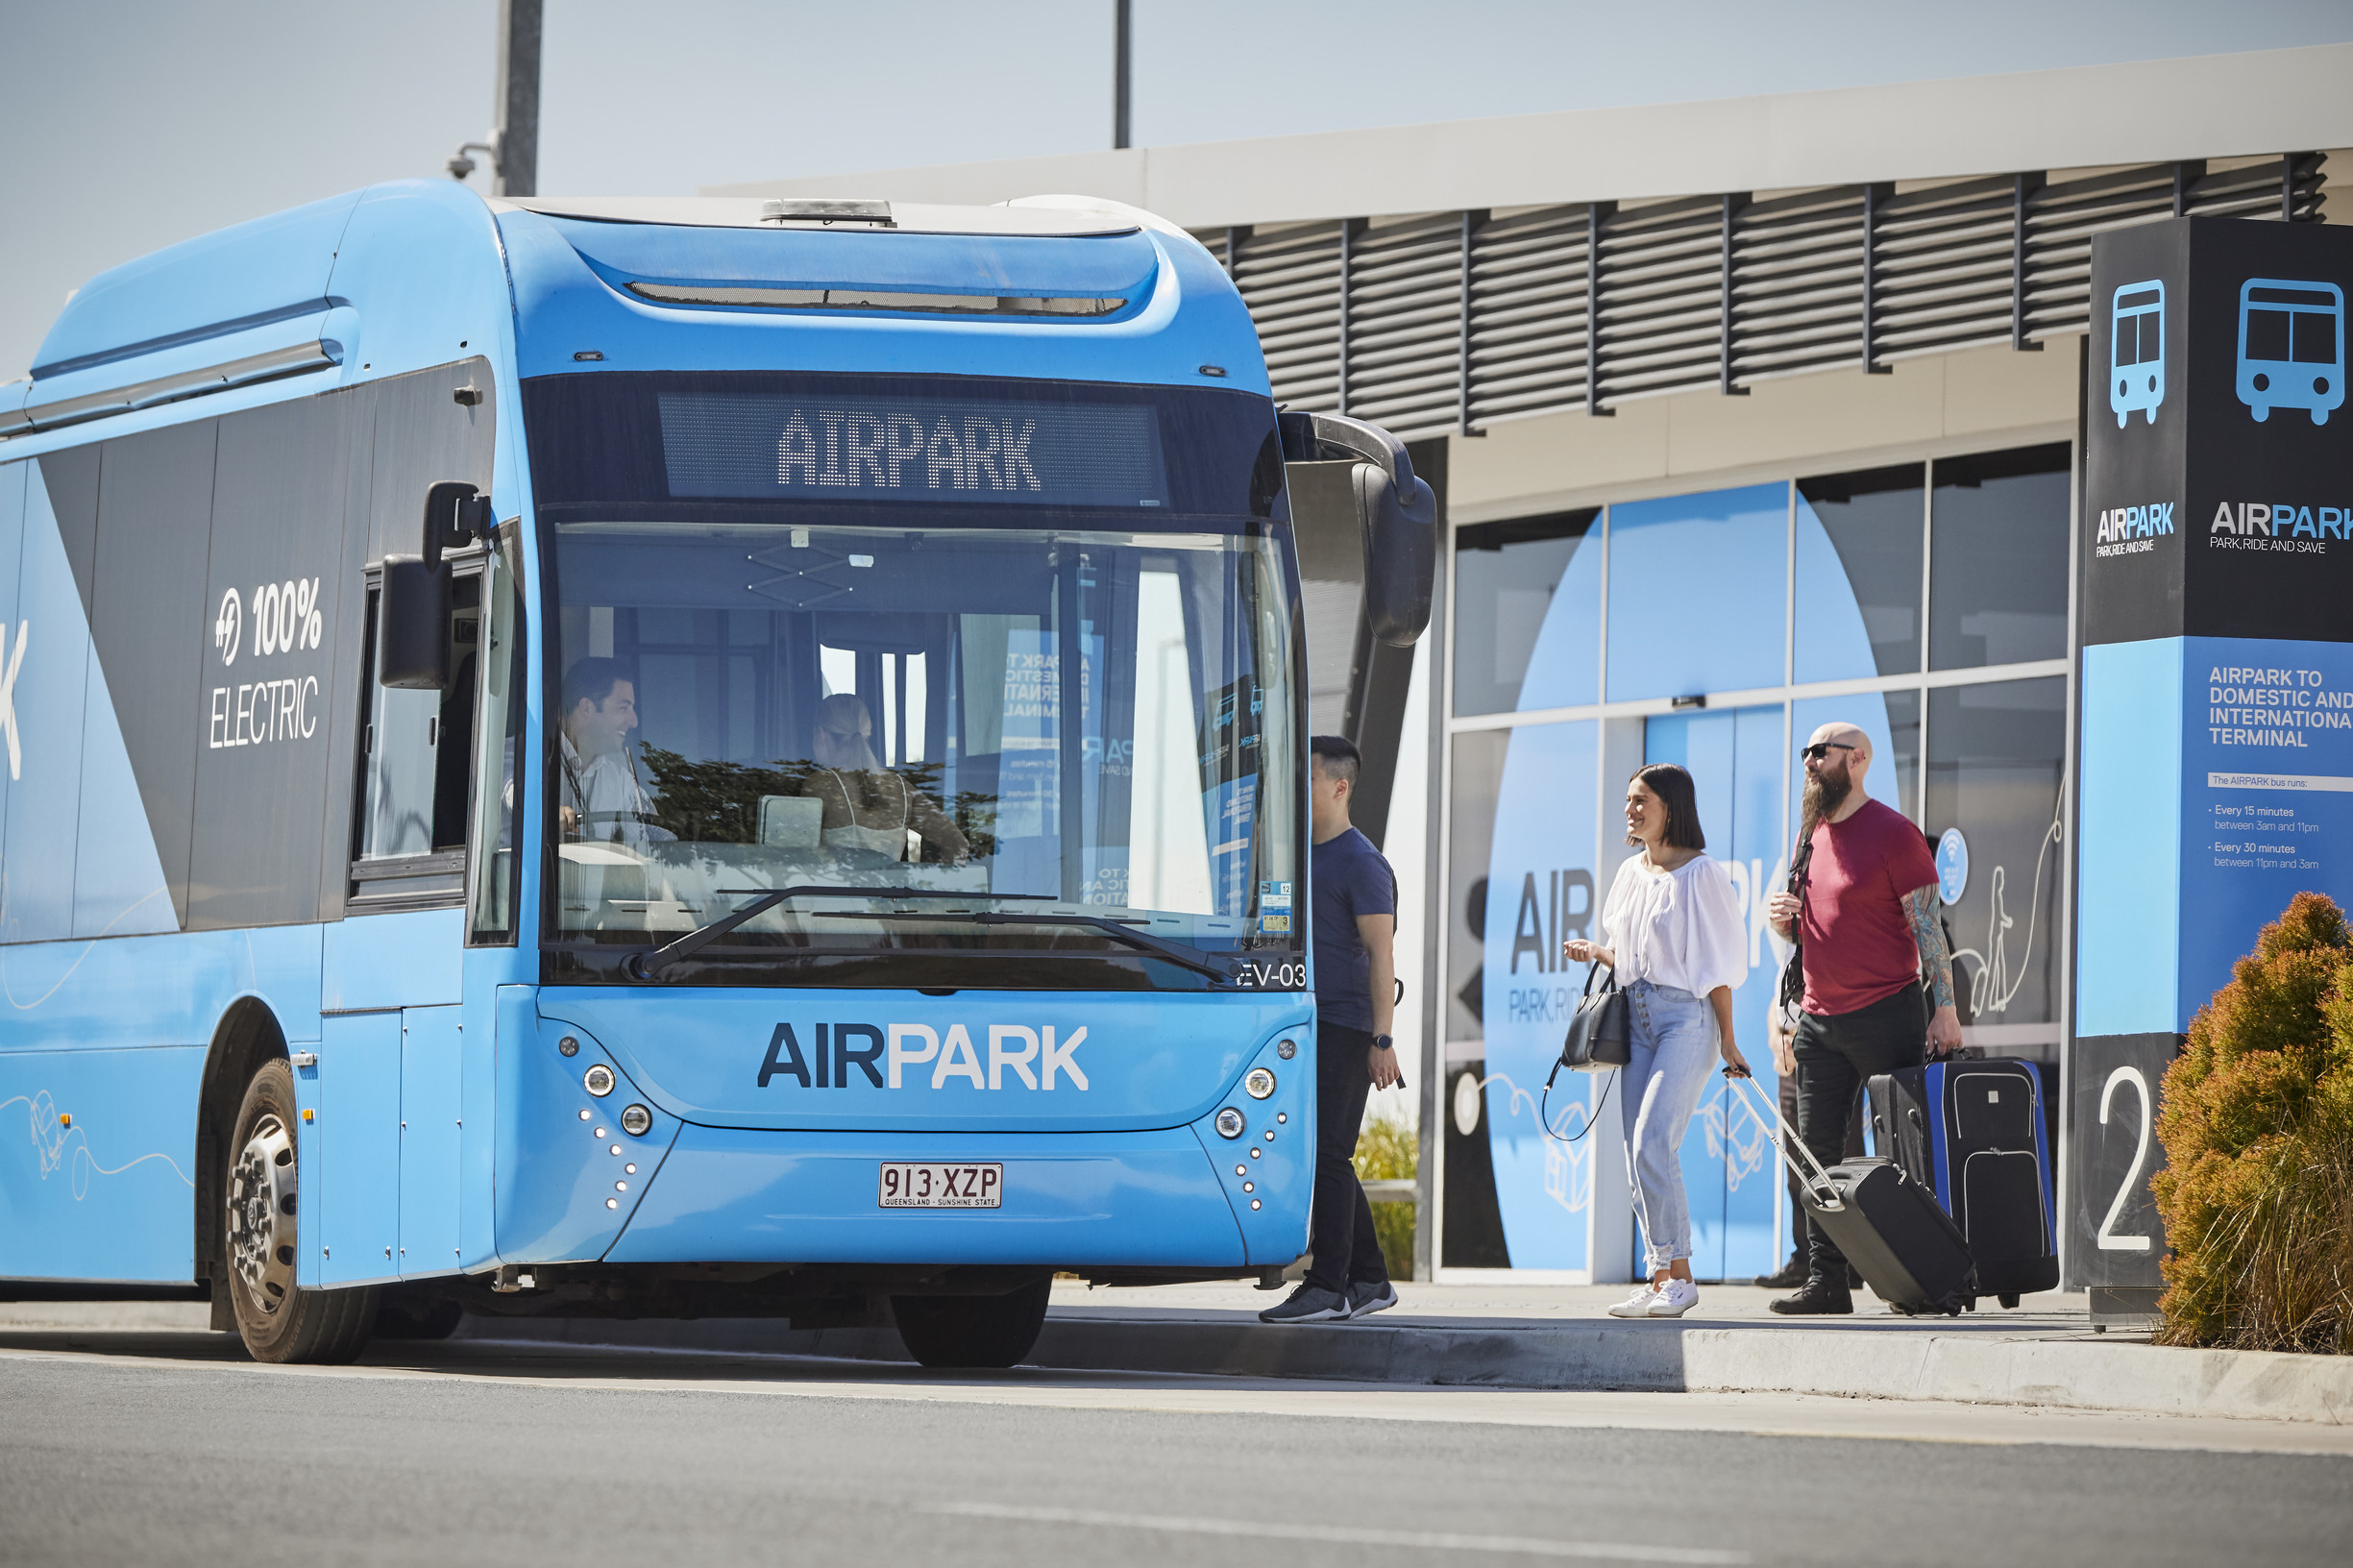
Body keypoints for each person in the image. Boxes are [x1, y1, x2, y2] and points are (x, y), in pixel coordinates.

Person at [1762, 722, 1959, 1315]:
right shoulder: (1810, 836)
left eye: (1820, 753)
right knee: (1813, 1153)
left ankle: (1919, 1276)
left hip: (1886, 1010)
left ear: (1858, 760)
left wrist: (1944, 1009)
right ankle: (1828, 1280)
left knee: (1902, 1150)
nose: (1809, 763)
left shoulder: (1895, 834)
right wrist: (1780, 921)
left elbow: (1929, 929)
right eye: (1805, 754)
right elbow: (1808, 929)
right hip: (1819, 1019)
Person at [1562, 763, 1752, 1318]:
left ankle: (1683, 1276)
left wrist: (1729, 1041)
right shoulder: (1630, 874)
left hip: (1685, 1020)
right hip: (1637, 1016)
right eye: (1628, 801)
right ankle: (1659, 1274)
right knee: (1633, 1151)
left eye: (1642, 800)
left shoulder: (1702, 875)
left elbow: (1716, 967)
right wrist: (1597, 952)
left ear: (1672, 806)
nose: (1632, 809)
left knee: (1652, 1140)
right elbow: (1632, 958)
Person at [1260, 735, 1402, 1325]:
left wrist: (1382, 1039)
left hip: (1347, 1027)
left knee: (1329, 1154)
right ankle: (1370, 1280)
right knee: (1323, 1154)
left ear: (1339, 787)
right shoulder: (1294, 856)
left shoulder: (1362, 861)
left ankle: (1329, 1286)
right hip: (1304, 1024)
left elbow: (1381, 955)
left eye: (1309, 777)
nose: (1298, 786)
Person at [1751, 995, 1864, 1291]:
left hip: (1830, 1051)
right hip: (1792, 1059)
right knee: (1797, 1169)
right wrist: (1777, 1041)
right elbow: (1776, 999)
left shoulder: (1828, 952)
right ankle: (1805, 1260)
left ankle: (1853, 1262)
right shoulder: (1790, 951)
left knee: (1840, 1163)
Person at [799, 693, 969, 864]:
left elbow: (794, 854)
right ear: (867, 731)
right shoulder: (901, 787)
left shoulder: (821, 784)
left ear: (821, 734)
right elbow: (957, 844)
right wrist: (934, 886)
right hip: (889, 890)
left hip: (836, 890)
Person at [557, 657, 669, 846]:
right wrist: (542, 809)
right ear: (587, 707)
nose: (634, 721)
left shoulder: (622, 784)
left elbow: (652, 842)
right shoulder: (520, 758)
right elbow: (512, 790)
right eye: (623, 708)